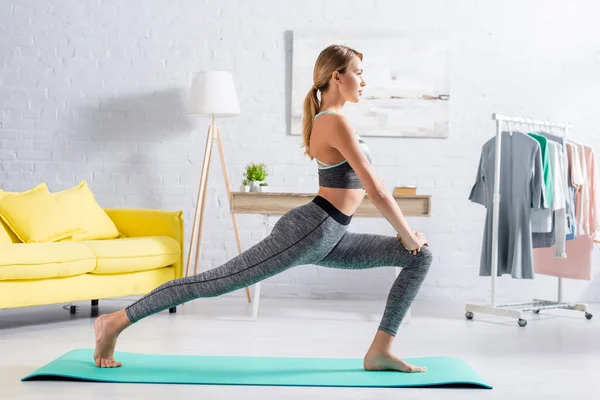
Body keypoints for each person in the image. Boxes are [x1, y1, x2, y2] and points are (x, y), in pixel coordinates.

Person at [93, 44, 432, 373]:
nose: (364, 81)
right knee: (213, 282)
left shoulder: (337, 120)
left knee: (420, 259)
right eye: (358, 73)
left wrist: (408, 239)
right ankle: (114, 321)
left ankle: (380, 350)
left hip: (332, 234)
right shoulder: (333, 121)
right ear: (337, 77)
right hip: (311, 230)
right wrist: (405, 234)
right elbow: (376, 190)